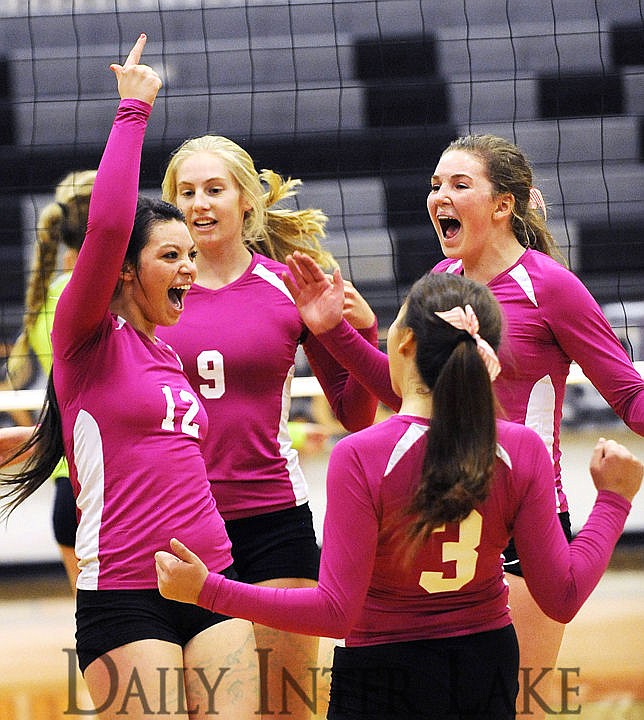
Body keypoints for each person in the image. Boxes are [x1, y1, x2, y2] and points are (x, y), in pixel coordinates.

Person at [155, 271, 642, 720]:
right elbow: (563, 596)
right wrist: (613, 500)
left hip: (382, 672)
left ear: (405, 343)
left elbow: (334, 611)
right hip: (485, 662)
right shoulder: (521, 450)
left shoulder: (362, 455)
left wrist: (207, 590)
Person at [272, 133, 644, 717]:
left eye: (459, 185)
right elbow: (404, 394)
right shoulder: (440, 280)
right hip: (438, 506)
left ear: (503, 206)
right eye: (435, 185)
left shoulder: (550, 287)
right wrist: (334, 331)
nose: (440, 195)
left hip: (523, 514)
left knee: (515, 706)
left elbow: (632, 399)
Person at [0, 35, 257, 719]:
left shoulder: (168, 356)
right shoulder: (85, 341)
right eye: (169, 256)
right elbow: (111, 223)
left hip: (210, 581)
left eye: (189, 256)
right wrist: (133, 110)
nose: (187, 269)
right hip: (123, 595)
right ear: (123, 270)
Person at [156, 133, 379, 717]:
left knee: (288, 707)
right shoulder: (149, 292)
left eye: (214, 189)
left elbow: (355, 413)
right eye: (186, 192)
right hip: (180, 520)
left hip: (273, 520)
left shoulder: (288, 285)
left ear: (246, 202)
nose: (200, 203)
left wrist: (357, 333)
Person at [0, 168, 96, 590]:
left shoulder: (47, 295)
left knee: (95, 629)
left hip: (67, 487)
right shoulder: (105, 295)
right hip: (113, 486)